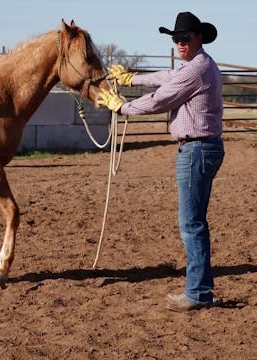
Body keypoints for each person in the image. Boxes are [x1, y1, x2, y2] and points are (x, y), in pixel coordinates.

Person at [97, 11, 224, 312]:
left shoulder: (196, 70)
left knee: (191, 223)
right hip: (202, 148)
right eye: (176, 39)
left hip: (195, 149)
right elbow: (165, 77)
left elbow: (159, 100)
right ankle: (200, 290)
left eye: (185, 38)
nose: (180, 42)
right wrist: (131, 77)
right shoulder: (198, 66)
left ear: (199, 37)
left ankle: (197, 293)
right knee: (195, 222)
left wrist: (122, 106)